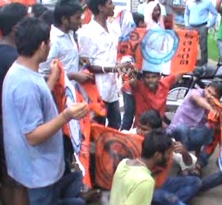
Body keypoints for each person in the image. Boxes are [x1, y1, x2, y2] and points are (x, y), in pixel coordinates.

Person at [2, 17, 88, 205]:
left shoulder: (22, 72)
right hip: (37, 171)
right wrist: (67, 115)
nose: (50, 46)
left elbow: (35, 104)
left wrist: (52, 79)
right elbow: (33, 135)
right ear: (42, 45)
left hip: (33, 167)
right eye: (49, 42)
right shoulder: (25, 84)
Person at [78, 0, 134, 129]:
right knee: (98, 129)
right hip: (96, 91)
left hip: (112, 90)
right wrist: (115, 68)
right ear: (101, 7)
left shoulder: (113, 28)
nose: (113, 6)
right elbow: (87, 66)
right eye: (110, 3)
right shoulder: (87, 33)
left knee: (115, 127)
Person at [130, 110, 201, 205]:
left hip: (159, 182)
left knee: (195, 182)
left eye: (144, 129)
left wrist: (184, 152)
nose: (139, 131)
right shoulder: (129, 137)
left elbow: (190, 163)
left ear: (156, 132)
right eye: (139, 127)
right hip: (141, 185)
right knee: (168, 198)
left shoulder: (163, 143)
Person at [0, 3, 28, 205]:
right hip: (10, 128)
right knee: (17, 181)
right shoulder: (15, 62)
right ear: (17, 28)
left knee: (6, 180)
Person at [168, 81, 222, 175]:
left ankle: (199, 164)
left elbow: (217, 126)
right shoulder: (195, 92)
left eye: (213, 95)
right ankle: (185, 165)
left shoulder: (216, 106)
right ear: (206, 88)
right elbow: (197, 99)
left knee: (215, 129)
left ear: (218, 98)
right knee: (182, 128)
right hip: (177, 133)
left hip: (194, 135)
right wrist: (211, 109)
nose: (209, 96)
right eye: (208, 91)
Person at [109, 129, 173, 205]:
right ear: (157, 155)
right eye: (168, 153)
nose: (169, 157)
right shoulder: (146, 181)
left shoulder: (123, 163)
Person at [39, 0, 93, 86]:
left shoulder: (69, 34)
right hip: (59, 93)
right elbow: (43, 74)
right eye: (77, 18)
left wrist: (78, 58)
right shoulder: (53, 40)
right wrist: (72, 76)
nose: (80, 21)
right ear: (64, 19)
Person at [184, 0, 218, 66]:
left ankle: (203, 65)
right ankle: (190, 63)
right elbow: (186, 13)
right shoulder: (189, 2)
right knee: (189, 46)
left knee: (203, 47)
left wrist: (209, 25)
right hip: (191, 26)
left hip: (202, 26)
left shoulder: (207, 2)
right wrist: (187, 24)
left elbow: (215, 14)